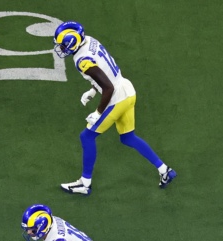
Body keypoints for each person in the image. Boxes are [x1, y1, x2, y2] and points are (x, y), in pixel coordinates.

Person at [51, 21, 174, 194]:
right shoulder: (89, 41)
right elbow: (105, 71)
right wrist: (93, 91)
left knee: (86, 137)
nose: (61, 48)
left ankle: (85, 184)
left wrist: (97, 112)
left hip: (116, 97)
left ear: (73, 43)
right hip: (128, 89)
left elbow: (108, 87)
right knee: (128, 138)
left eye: (63, 45)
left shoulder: (82, 60)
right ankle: (164, 170)